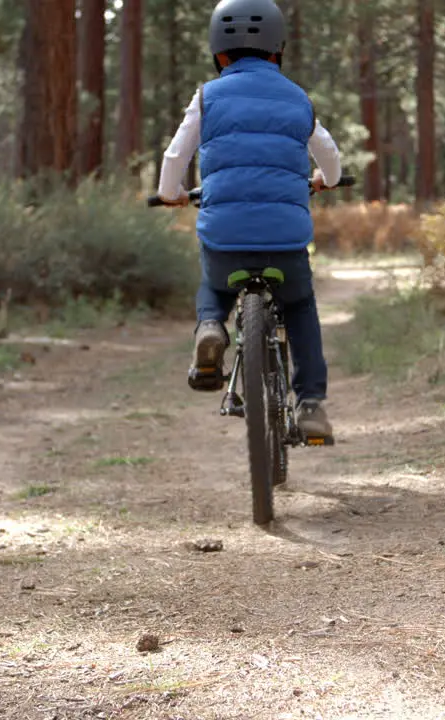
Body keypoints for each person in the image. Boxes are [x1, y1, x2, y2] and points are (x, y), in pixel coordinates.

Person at [157, 0, 342, 443]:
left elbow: (175, 157)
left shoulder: (207, 96)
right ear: (278, 49)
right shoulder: (298, 98)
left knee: (214, 280)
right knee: (299, 306)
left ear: (219, 53)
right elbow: (330, 158)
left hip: (227, 235)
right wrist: (325, 181)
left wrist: (171, 194)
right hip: (286, 239)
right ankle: (312, 404)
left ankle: (208, 329)